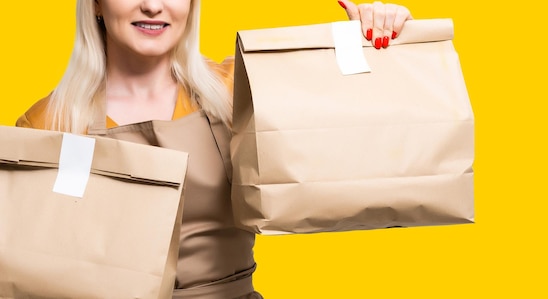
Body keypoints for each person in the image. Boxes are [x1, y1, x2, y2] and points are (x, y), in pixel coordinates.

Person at [16, 0, 413, 298]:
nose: (153, 6)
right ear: (96, 5)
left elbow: (367, 129)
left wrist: (375, 37)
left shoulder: (236, 90)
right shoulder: (48, 125)